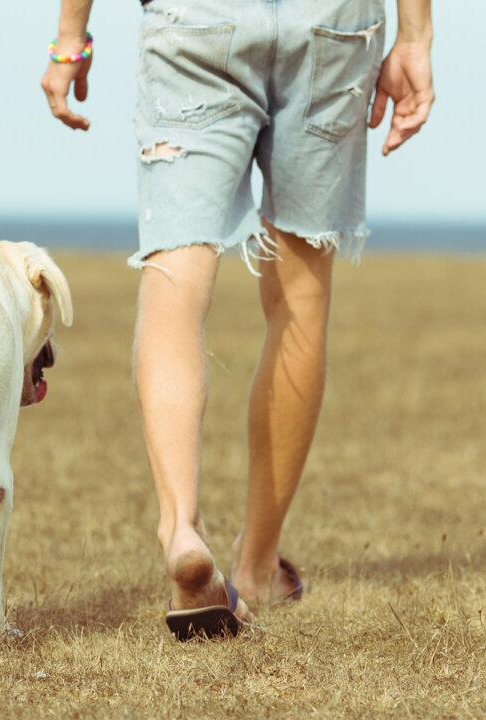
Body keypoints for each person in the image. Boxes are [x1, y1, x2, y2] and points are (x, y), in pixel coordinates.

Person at [41, 0, 434, 639]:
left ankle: (182, 529)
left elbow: (73, 35)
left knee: (176, 282)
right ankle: (255, 566)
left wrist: (69, 39)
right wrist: (416, 36)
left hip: (195, 21)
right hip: (331, 23)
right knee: (300, 302)